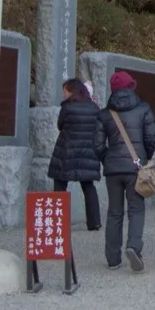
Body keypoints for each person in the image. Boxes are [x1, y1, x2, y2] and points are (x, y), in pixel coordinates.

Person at [100, 70, 155, 273]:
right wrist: (146, 157)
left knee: (114, 212)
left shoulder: (105, 113)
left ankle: (113, 258)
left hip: (113, 170)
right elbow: (151, 136)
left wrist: (107, 159)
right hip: (135, 167)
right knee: (136, 209)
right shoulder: (143, 109)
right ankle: (133, 247)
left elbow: (97, 144)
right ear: (131, 87)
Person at [48, 77, 105, 232]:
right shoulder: (94, 108)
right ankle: (94, 222)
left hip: (67, 151)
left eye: (65, 91)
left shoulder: (68, 108)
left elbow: (60, 125)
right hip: (88, 152)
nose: (64, 94)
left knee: (60, 185)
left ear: (72, 91)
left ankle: (58, 222)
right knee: (88, 186)